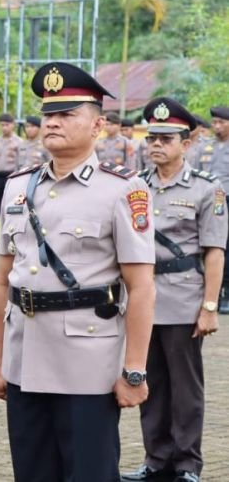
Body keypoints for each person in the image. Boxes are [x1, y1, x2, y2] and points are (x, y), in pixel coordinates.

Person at [0, 61, 155, 482]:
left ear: (98, 124)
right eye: (48, 115)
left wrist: (134, 370)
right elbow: (1, 281)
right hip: (25, 357)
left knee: (89, 473)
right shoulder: (18, 186)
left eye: (67, 115)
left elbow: (141, 288)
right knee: (32, 472)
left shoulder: (123, 189)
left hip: (87, 364)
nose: (53, 123)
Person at [121, 98, 225, 482]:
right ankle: (155, 459)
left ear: (188, 141)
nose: (157, 145)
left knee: (185, 388)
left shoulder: (205, 190)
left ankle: (186, 464)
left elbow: (214, 252)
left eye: (167, 138)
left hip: (183, 298)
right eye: (153, 138)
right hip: (142, 299)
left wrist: (210, 305)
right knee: (148, 381)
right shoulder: (134, 187)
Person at [199, 107, 229, 314]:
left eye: (221, 122)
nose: (217, 126)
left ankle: (226, 293)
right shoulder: (206, 147)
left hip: (228, 200)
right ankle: (213, 294)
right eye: (215, 122)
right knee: (210, 246)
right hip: (210, 202)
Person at [0, 113, 22, 245]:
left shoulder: (19, 142)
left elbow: (20, 163)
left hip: (12, 177)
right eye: (2, 125)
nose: (4, 128)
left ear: (13, 125)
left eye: (7, 125)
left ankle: (12, 239)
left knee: (12, 208)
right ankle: (1, 239)